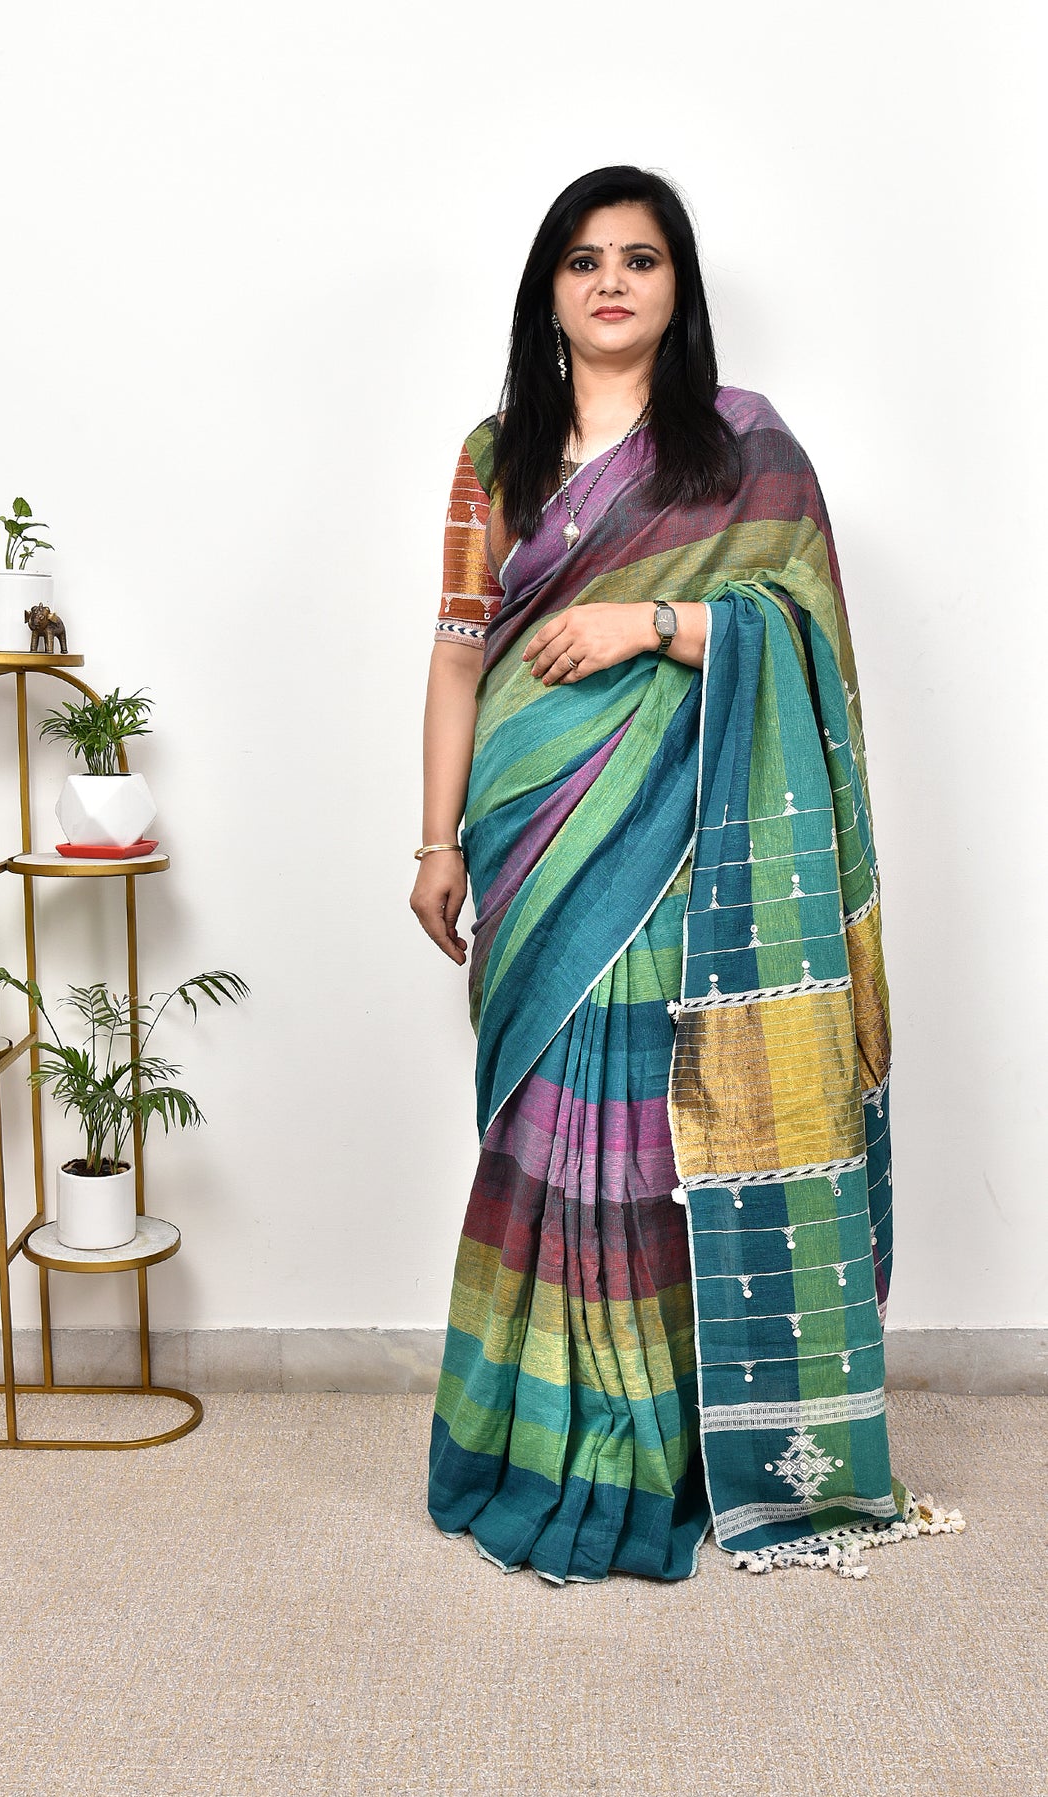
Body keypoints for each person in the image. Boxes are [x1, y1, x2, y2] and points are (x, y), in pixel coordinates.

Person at [411, 165, 965, 1583]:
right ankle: (541, 1440)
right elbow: (458, 655)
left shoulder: (740, 446)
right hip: (529, 831)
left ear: (678, 286)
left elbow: (805, 637)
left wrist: (648, 621)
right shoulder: (495, 456)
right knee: (549, 1129)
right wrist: (438, 838)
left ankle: (662, 1448)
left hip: (682, 838)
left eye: (640, 259)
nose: (612, 282)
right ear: (547, 291)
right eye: (584, 259)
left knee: (657, 1136)